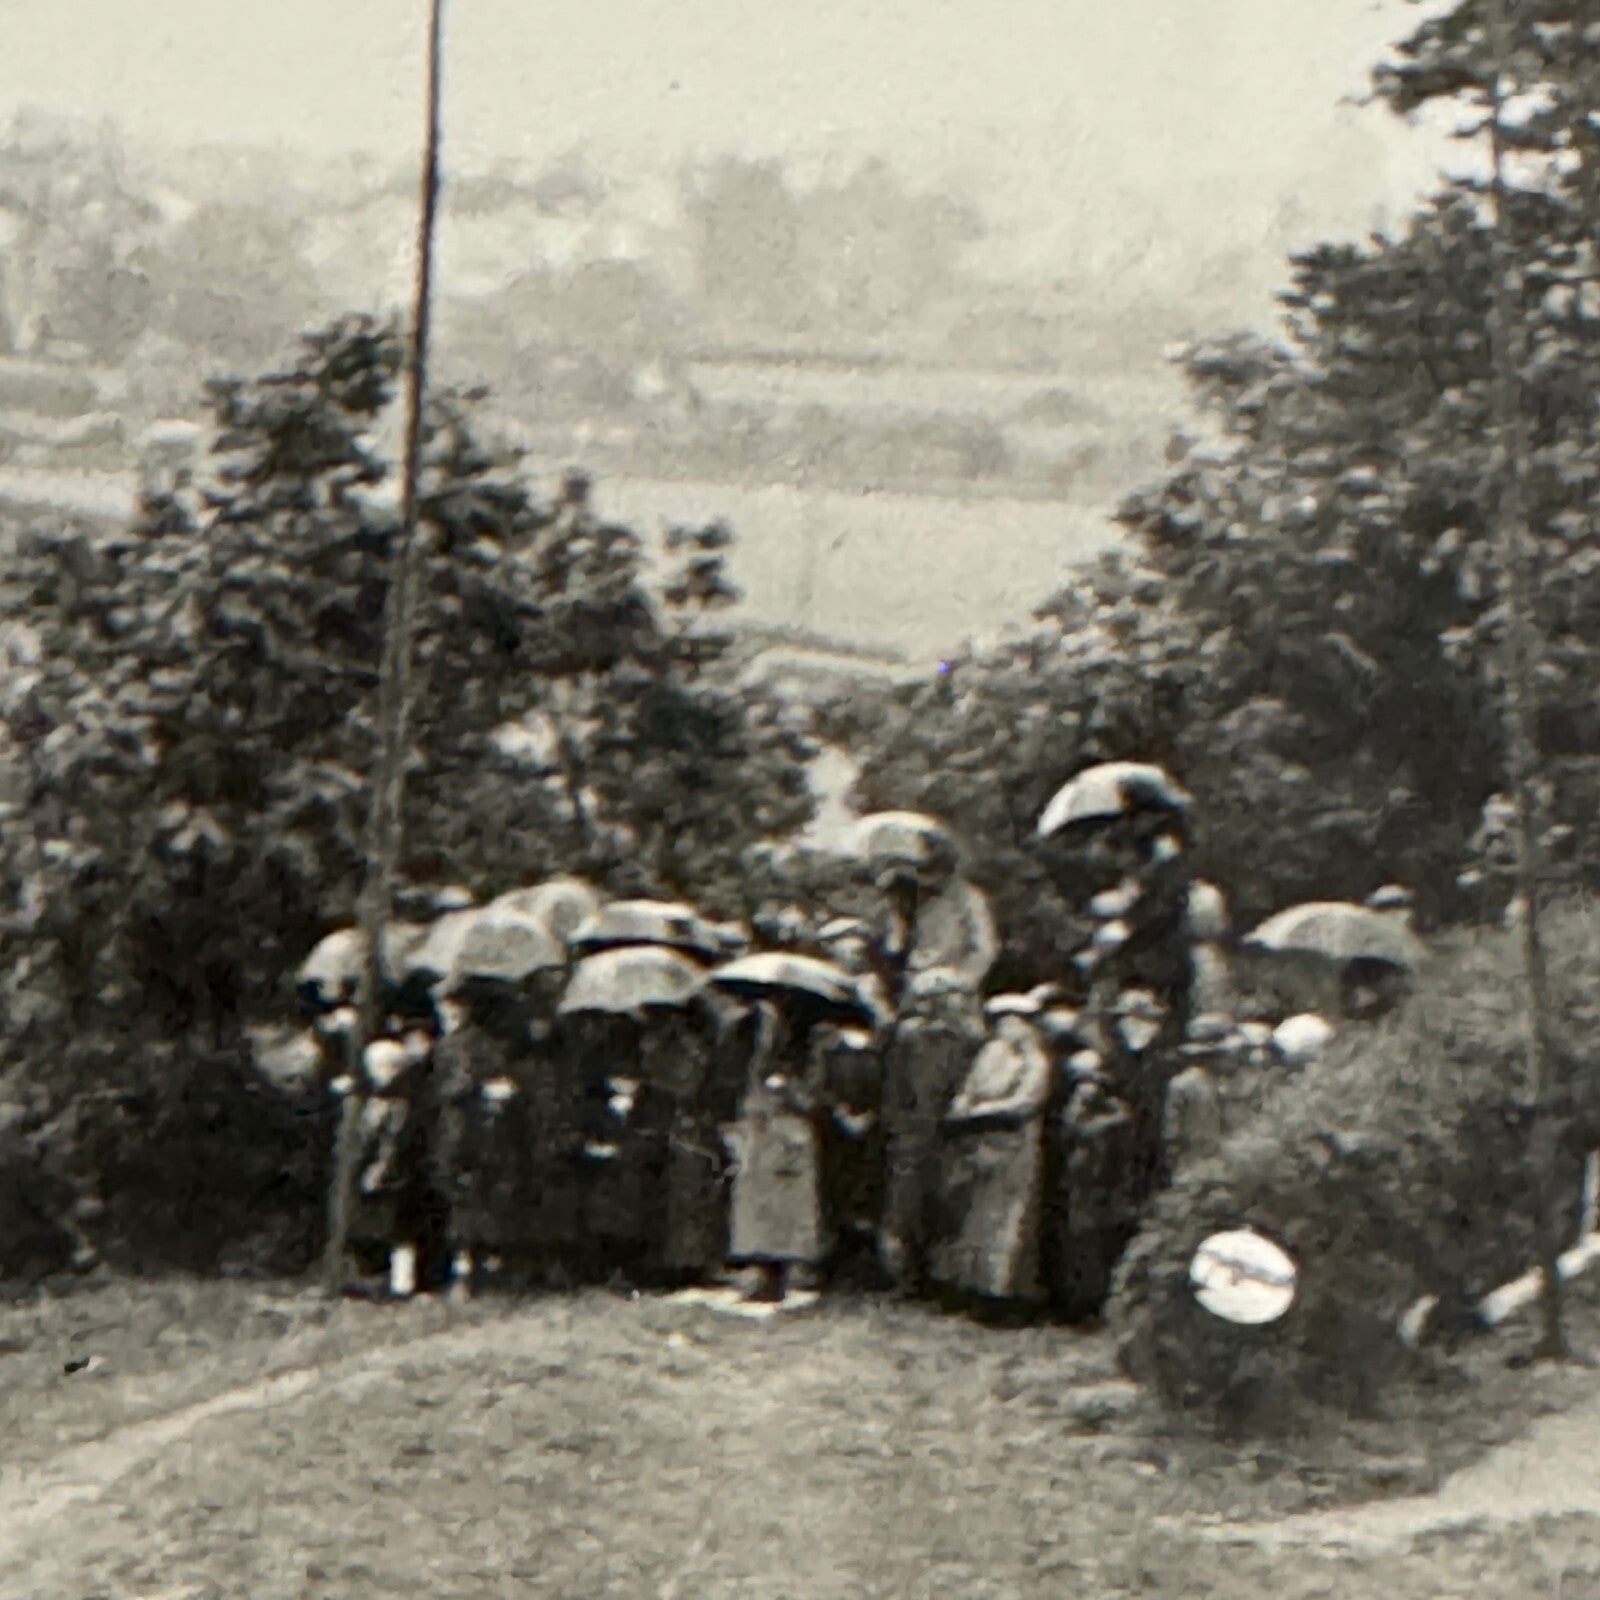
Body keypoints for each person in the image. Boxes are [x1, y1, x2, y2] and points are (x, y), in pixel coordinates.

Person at [931, 1004, 1055, 1315]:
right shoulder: (991, 1053)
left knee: (1008, 1216)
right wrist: (963, 1104)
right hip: (979, 1140)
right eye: (1002, 1023)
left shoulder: (1036, 1061)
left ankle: (1000, 1292)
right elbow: (970, 1086)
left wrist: (983, 1109)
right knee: (974, 1214)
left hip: (1015, 1142)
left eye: (1013, 1023)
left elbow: (1026, 1102)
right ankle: (964, 1284)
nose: (1006, 1029)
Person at [877, 966, 984, 1296]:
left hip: (955, 1130)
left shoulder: (972, 1039)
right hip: (914, 1130)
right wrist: (898, 1124)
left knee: (947, 1203)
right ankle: (905, 1275)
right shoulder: (909, 1037)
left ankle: (940, 1276)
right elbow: (895, 1086)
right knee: (905, 1205)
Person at [723, 1000, 831, 1303]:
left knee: (785, 1212)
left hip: (789, 1139)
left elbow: (811, 1098)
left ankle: (778, 1277)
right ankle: (764, 1272)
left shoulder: (809, 1056)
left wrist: (787, 1090)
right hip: (765, 1138)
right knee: (762, 1210)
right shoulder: (755, 1057)